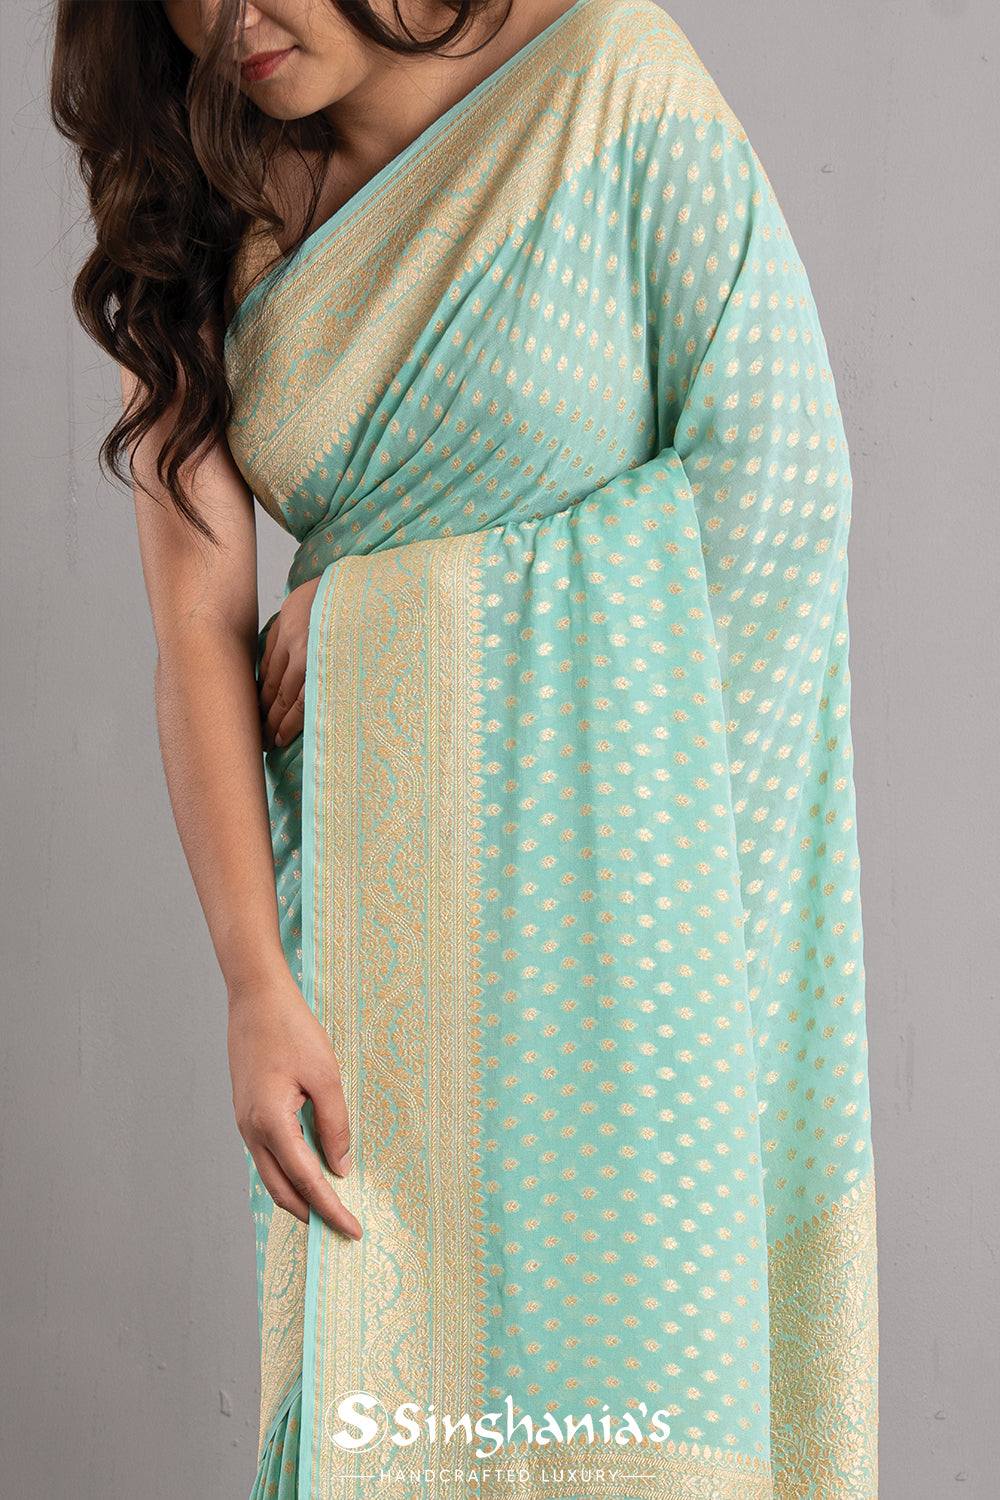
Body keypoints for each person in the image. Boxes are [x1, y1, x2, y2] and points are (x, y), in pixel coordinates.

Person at [50, 2, 879, 1496]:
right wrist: (253, 983)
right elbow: (195, 628)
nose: (237, 20)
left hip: (638, 950)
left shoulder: (606, 88)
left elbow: (782, 492)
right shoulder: (193, 207)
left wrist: (388, 612)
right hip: (385, 931)